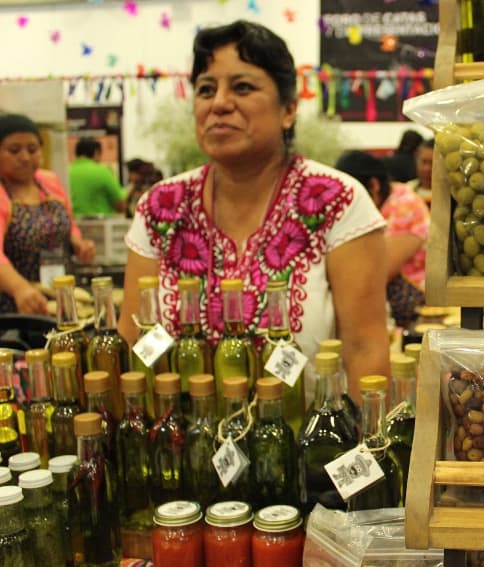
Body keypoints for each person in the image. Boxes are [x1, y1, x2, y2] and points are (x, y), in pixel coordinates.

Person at [118, 20, 391, 401]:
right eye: (206, 89)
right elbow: (133, 342)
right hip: (179, 447)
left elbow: (365, 350)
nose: (219, 103)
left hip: (307, 448)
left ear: (288, 110)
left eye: (242, 87)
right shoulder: (161, 207)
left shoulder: (336, 200)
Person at [0, 113, 96, 314]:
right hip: (16, 305)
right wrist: (20, 289)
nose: (25, 157)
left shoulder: (49, 181)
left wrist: (79, 243)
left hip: (62, 295)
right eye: (14, 150)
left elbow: (68, 224)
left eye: (32, 149)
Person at [335, 150, 429, 329]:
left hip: (416, 311)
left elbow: (377, 272)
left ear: (373, 185)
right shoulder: (383, 202)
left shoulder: (404, 205)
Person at [69, 137, 127, 216]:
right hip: (101, 225)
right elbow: (120, 204)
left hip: (73, 224)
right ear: (96, 152)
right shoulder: (103, 171)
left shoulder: (66, 172)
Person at [407, 138, 434, 206]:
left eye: (433, 163)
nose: (427, 169)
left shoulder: (449, 195)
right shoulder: (407, 189)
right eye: (424, 162)